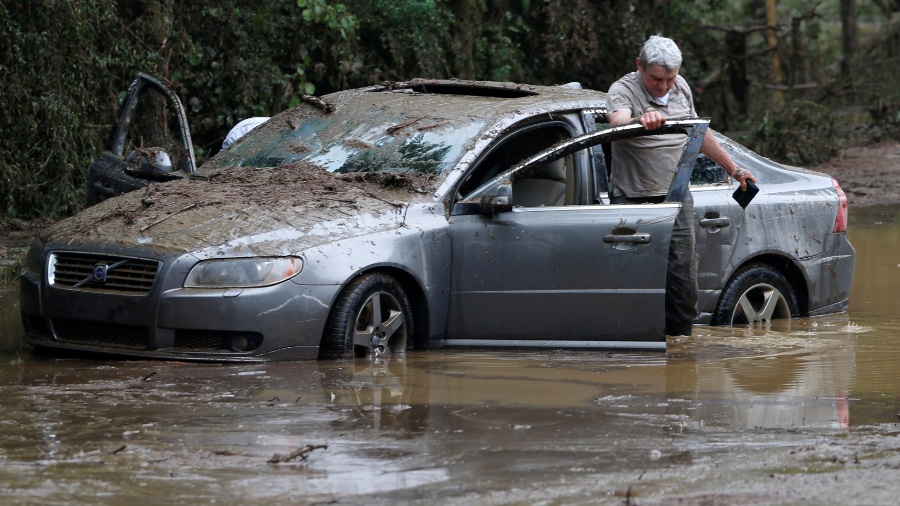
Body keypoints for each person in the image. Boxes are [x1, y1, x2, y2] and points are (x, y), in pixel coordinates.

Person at [606, 34, 758, 337]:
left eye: (670, 79)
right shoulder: (622, 90)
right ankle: (632, 343)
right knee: (634, 279)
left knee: (683, 279)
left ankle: (680, 345)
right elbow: (616, 125)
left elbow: (698, 133)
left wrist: (734, 168)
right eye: (656, 80)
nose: (663, 86)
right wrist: (639, 120)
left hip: (676, 197)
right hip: (632, 199)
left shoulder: (681, 88)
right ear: (639, 66)